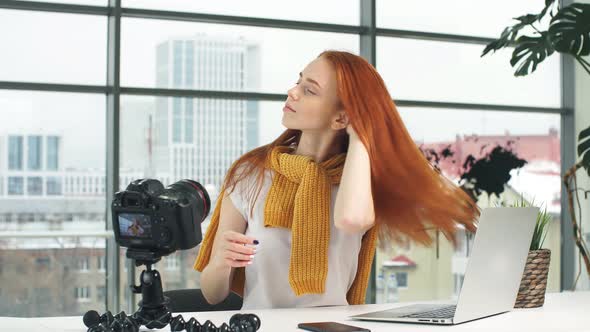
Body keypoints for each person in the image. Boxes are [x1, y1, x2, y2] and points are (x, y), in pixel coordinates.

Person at [194, 50, 479, 309]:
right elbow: (212, 294)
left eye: (309, 90)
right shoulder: (250, 174)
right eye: (298, 81)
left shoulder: (360, 183)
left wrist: (361, 138)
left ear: (342, 118)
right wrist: (221, 262)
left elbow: (351, 220)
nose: (292, 92)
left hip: (335, 327)